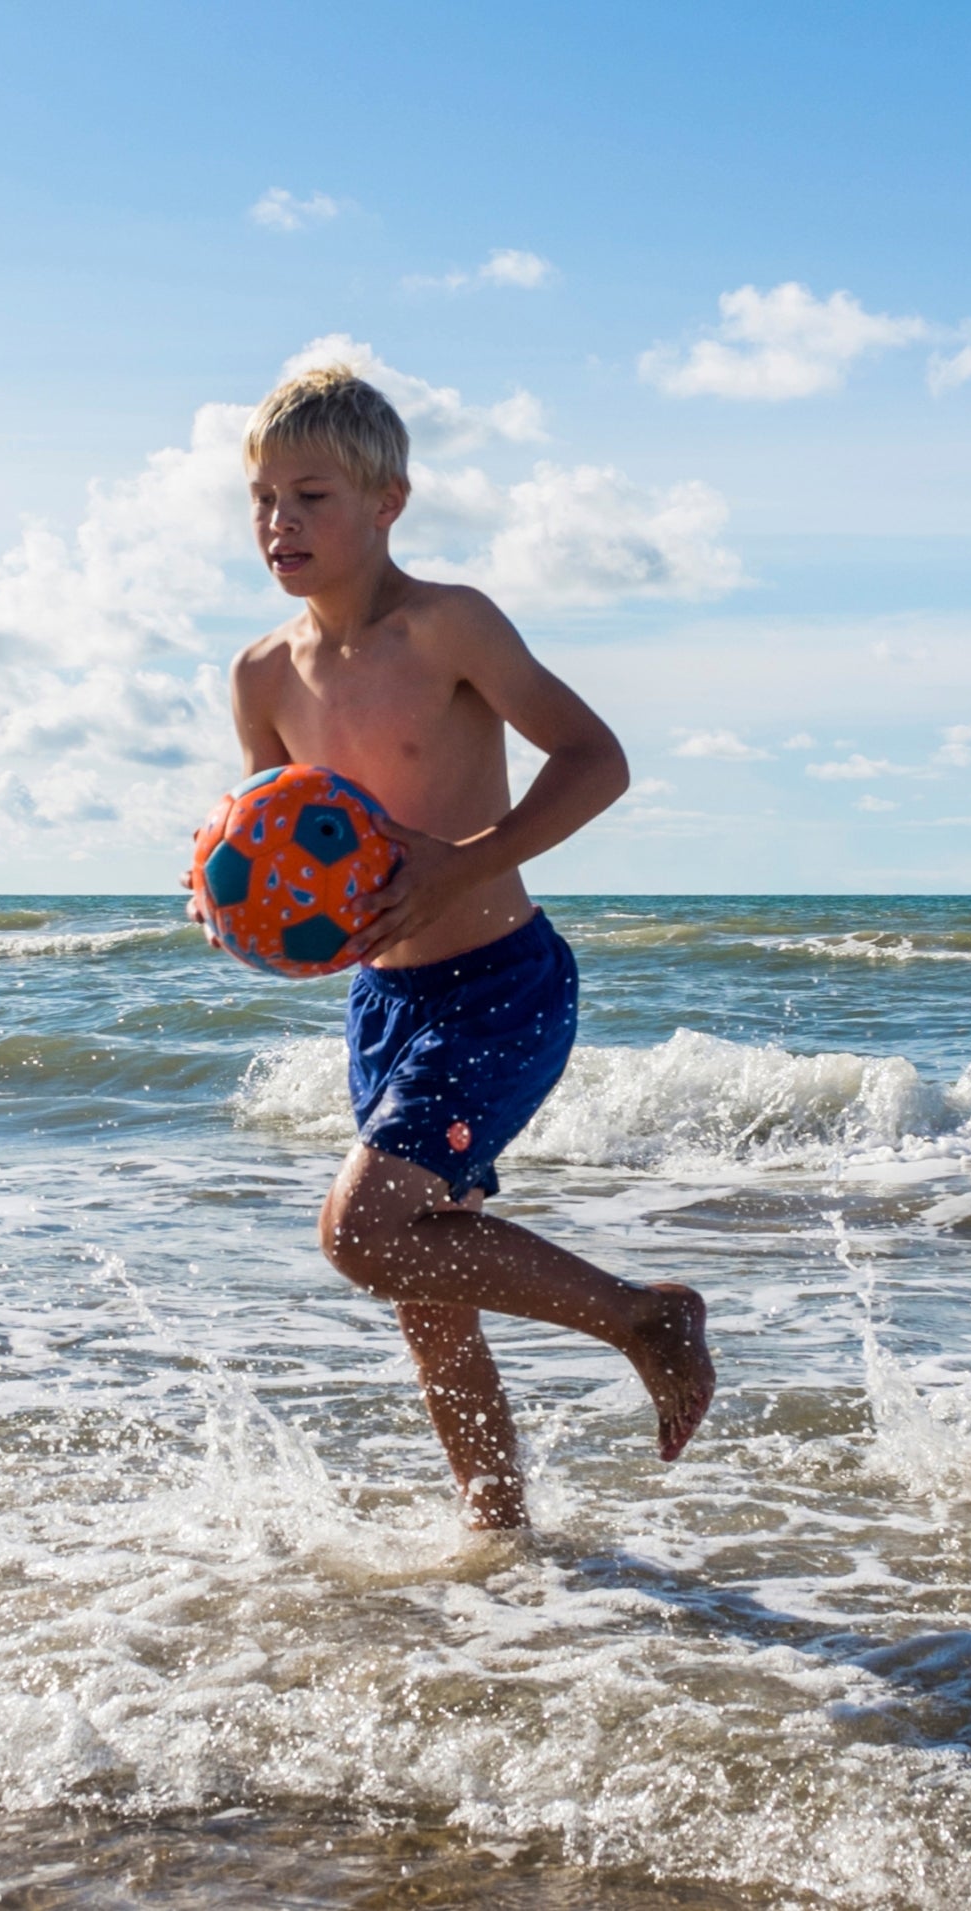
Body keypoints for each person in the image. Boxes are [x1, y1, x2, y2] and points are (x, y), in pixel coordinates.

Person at [197, 363, 715, 1530]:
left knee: (365, 1234)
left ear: (388, 501)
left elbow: (597, 760)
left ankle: (643, 1316)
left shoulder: (449, 627)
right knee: (426, 1282)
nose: (281, 523)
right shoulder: (260, 673)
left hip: (499, 985)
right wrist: (225, 905)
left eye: (312, 496)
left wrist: (459, 861)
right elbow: (265, 841)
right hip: (384, 1003)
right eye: (263, 499)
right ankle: (498, 1537)